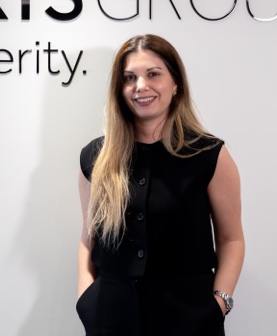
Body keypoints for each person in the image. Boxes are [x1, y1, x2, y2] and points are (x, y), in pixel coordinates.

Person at [76, 34, 244, 335]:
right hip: (110, 318)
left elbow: (231, 239)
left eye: (153, 74)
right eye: (129, 78)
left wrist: (219, 303)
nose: (141, 86)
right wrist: (85, 299)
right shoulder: (95, 157)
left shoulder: (209, 155)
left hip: (190, 319)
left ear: (175, 83)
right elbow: (89, 238)